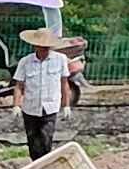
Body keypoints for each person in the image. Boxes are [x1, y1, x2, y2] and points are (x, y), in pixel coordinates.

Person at [13, 28, 85, 159]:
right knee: (33, 141)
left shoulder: (60, 60)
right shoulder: (25, 62)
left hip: (50, 106)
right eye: (41, 47)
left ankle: (44, 162)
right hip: (30, 107)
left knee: (46, 138)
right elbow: (19, 85)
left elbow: (64, 83)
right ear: (35, 46)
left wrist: (67, 105)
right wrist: (16, 105)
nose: (44, 50)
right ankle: (35, 164)